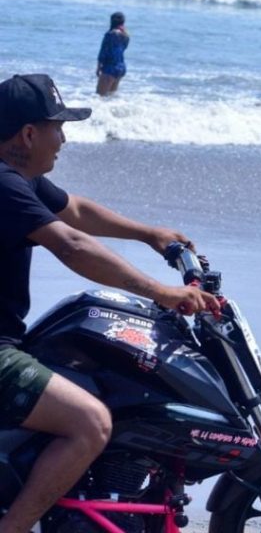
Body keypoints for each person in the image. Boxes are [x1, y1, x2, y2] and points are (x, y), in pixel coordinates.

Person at [0, 74, 220, 532]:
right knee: (91, 423)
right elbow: (72, 245)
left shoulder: (21, 180)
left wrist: (149, 234)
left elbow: (75, 210)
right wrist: (162, 292)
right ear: (29, 134)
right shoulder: (4, 185)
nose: (63, 138)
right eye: (58, 127)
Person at [95, 12, 129, 97]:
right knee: (110, 97)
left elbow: (103, 52)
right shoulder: (126, 35)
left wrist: (98, 67)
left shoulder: (110, 34)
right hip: (121, 67)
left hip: (109, 67)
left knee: (100, 96)